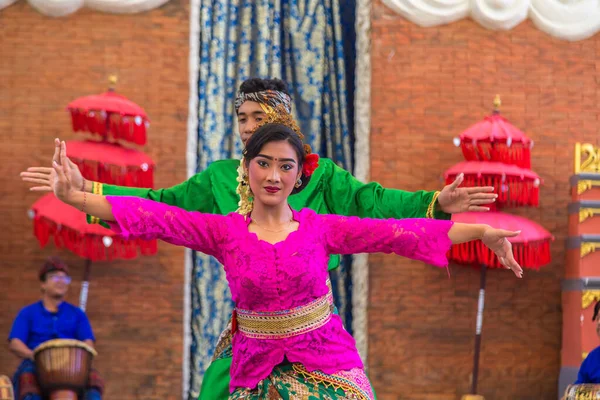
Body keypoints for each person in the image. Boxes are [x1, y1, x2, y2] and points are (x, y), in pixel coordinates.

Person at [20, 78, 499, 400]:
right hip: (251, 325)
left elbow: (382, 218)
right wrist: (83, 194)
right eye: (242, 120)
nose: (248, 127)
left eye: (257, 116)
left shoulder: (321, 183)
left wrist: (445, 208)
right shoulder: (219, 188)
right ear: (249, 169)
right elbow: (157, 208)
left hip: (314, 326)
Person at [8, 258, 104, 400]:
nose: (60, 281)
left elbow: (88, 343)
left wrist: (81, 357)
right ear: (43, 284)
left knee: (93, 382)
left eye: (64, 277)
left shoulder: (77, 314)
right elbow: (15, 343)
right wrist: (33, 355)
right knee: (27, 379)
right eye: (54, 277)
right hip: (35, 364)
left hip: (71, 366)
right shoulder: (28, 312)